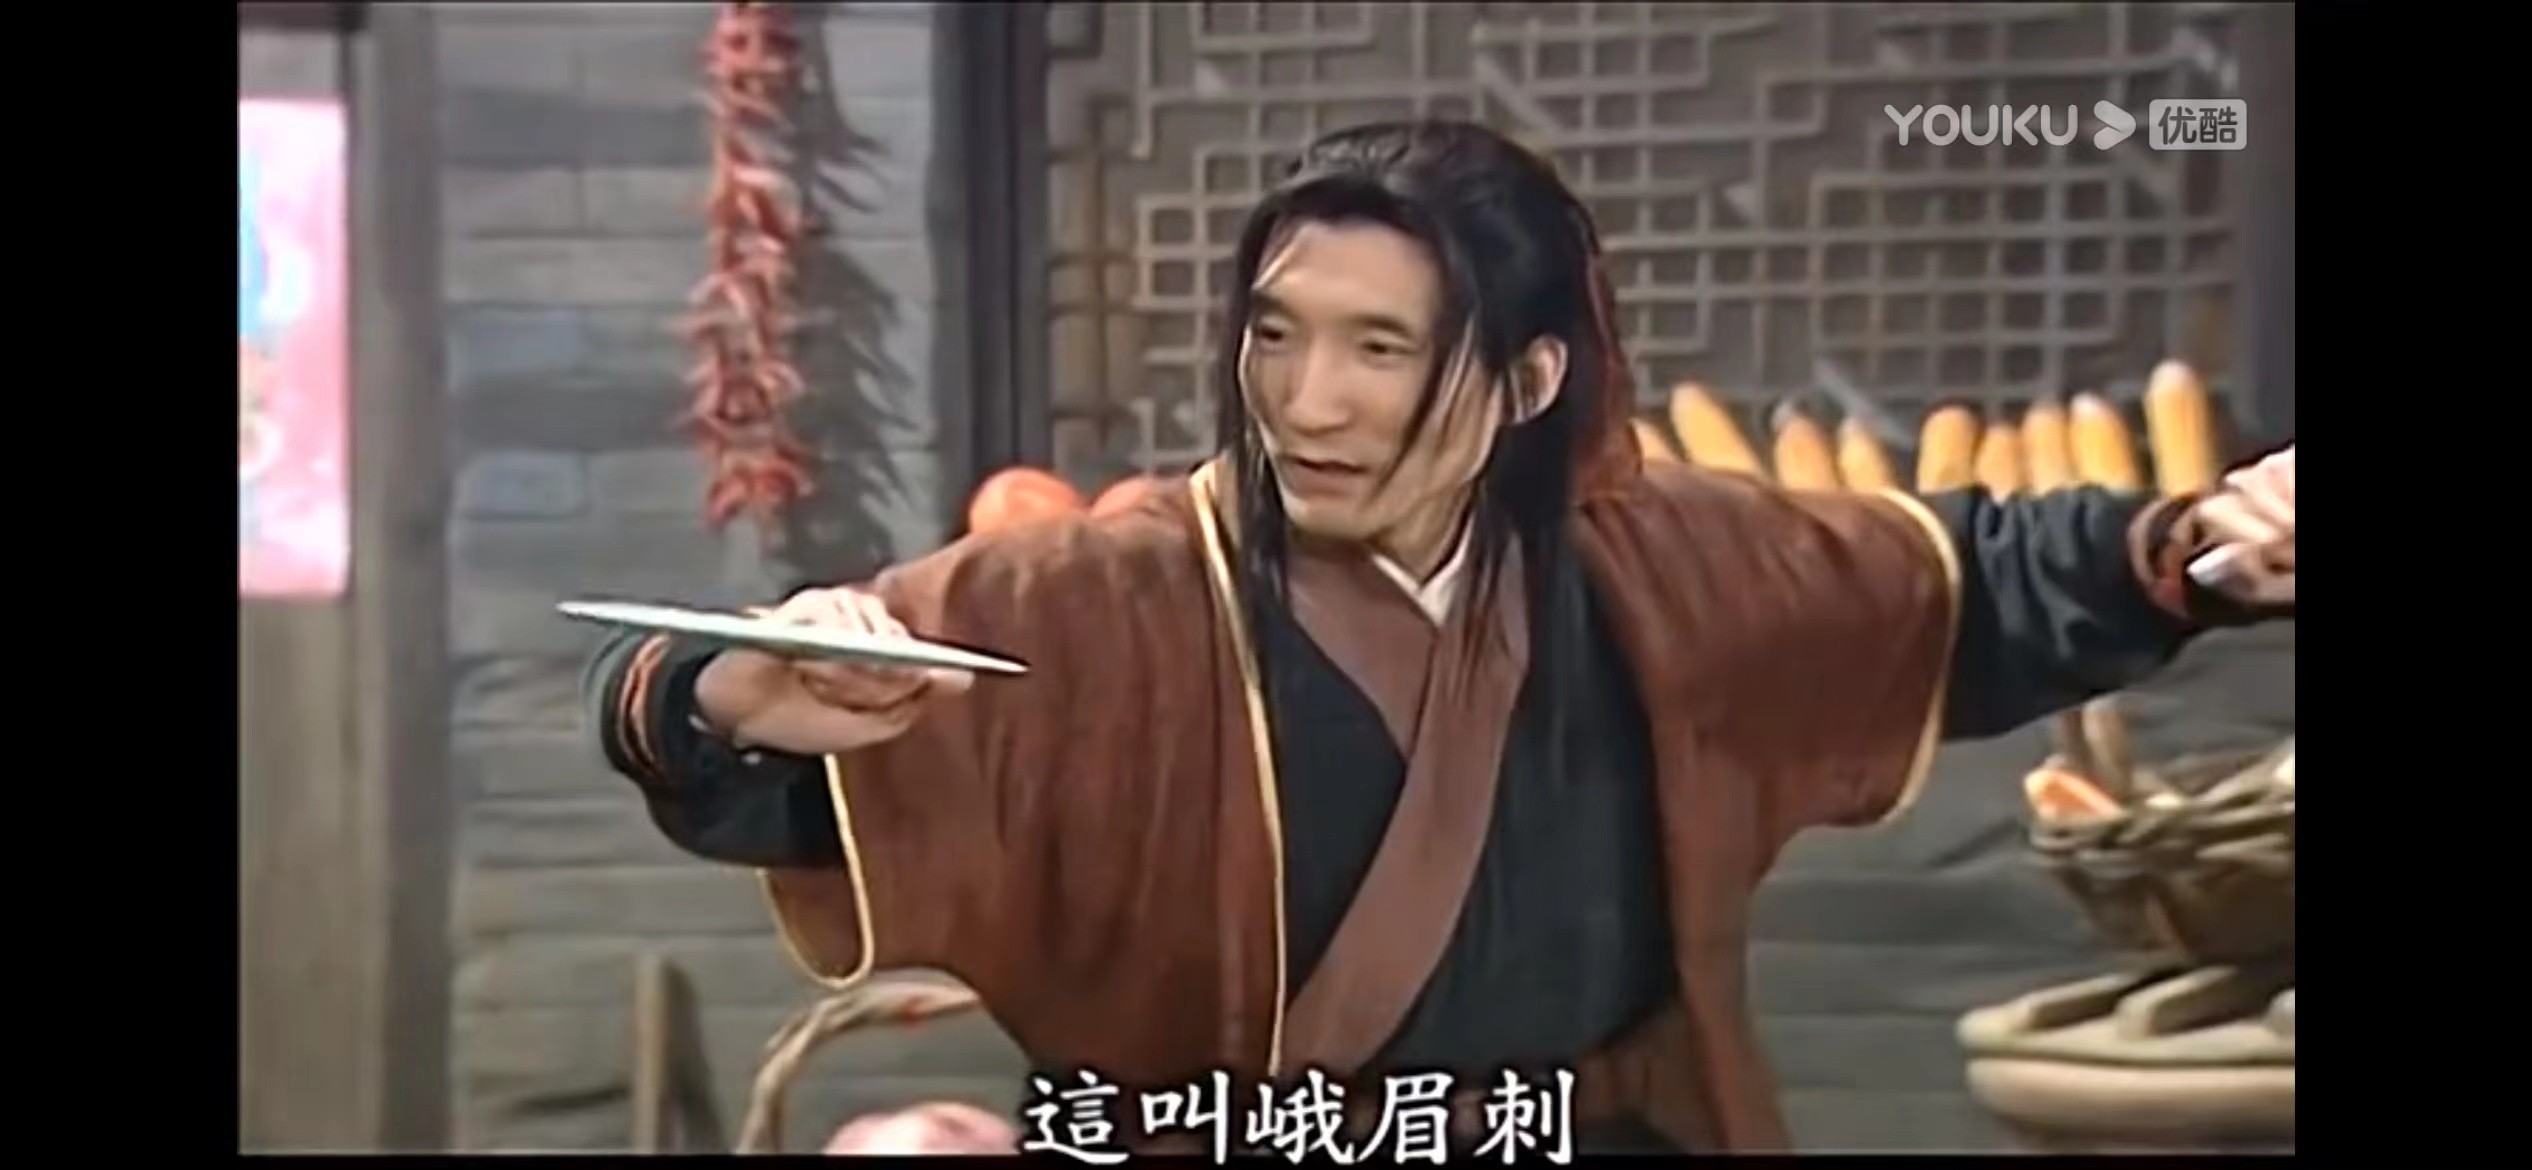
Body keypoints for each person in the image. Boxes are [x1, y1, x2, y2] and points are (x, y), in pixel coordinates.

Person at [583, 120, 2296, 1156]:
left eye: (1381, 350)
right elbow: (718, 707)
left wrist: (2204, 546)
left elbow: (1966, 577)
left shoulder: (1669, 563)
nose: (1308, 402)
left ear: (1529, 376)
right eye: (1275, 335)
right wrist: (736, 689)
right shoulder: (1098, 599)